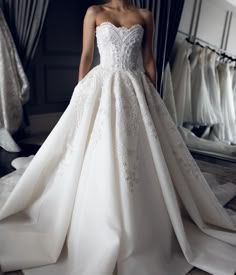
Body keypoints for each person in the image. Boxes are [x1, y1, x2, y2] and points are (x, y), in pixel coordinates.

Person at [0, 1, 236, 275]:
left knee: (139, 152)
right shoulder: (94, 12)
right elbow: (87, 56)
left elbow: (148, 59)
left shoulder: (145, 15)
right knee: (97, 149)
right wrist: (81, 93)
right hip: (102, 84)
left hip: (136, 87)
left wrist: (152, 98)